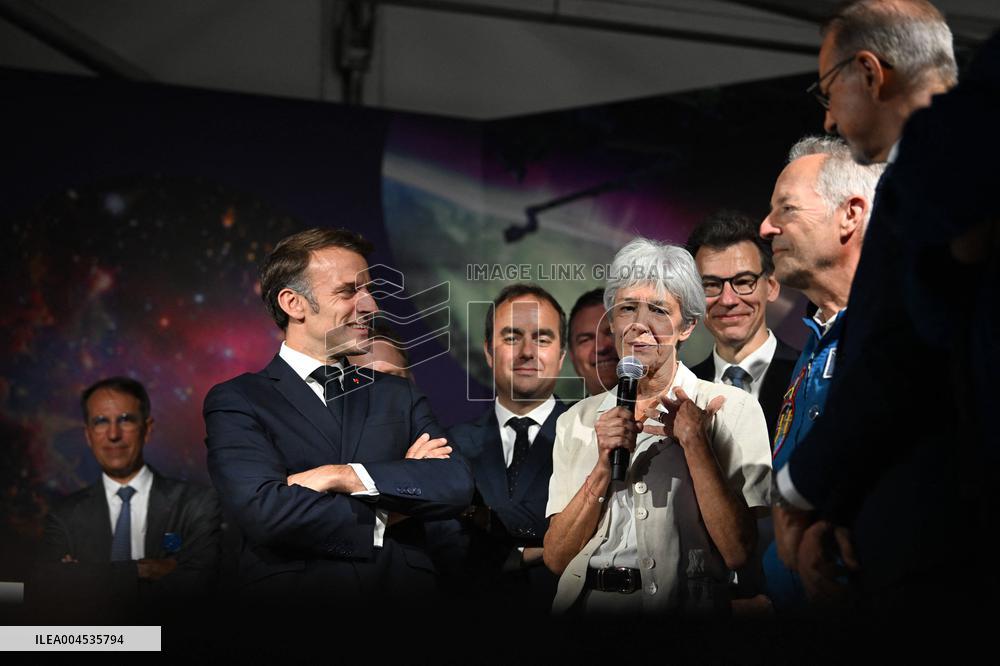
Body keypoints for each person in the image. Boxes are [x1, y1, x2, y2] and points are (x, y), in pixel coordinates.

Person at [771, 0, 965, 608]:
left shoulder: (944, 176)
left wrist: (798, 492)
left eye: (827, 89)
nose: (829, 120)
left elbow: (909, 360)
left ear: (870, 72)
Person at [203, 227, 473, 604]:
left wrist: (340, 475)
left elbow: (453, 485)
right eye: (349, 292)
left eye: (368, 290)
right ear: (293, 303)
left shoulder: (398, 395)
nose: (371, 306)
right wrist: (391, 506)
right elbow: (264, 512)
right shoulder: (239, 400)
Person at [542, 237, 771, 614]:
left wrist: (697, 444)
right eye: (627, 308)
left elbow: (738, 552)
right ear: (611, 322)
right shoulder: (576, 421)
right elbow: (555, 558)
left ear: (688, 326)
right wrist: (602, 467)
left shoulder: (733, 409)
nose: (639, 325)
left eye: (659, 311)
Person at [758, 136, 884, 610]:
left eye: (785, 209)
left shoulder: (903, 339)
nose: (766, 227)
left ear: (850, 214)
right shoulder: (817, 340)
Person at [432, 284, 568, 613]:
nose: (526, 351)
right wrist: (539, 547)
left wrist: (476, 519)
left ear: (562, 356)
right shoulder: (450, 444)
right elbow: (439, 537)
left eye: (542, 338)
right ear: (489, 353)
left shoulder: (591, 438)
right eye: (511, 337)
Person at [38, 377, 221, 607]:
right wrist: (142, 570)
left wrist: (85, 576)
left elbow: (199, 589)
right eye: (101, 421)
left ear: (147, 429)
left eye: (125, 420)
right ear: (88, 435)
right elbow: (52, 593)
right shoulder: (63, 516)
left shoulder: (198, 504)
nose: (113, 434)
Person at [686, 211, 799, 443]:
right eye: (710, 285)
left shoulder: (805, 375)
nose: (728, 300)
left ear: (772, 286)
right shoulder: (683, 388)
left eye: (743, 282)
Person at [567, 288, 618, 397]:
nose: (601, 347)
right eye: (586, 340)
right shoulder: (566, 414)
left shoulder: (662, 412)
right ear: (572, 355)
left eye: (611, 333)